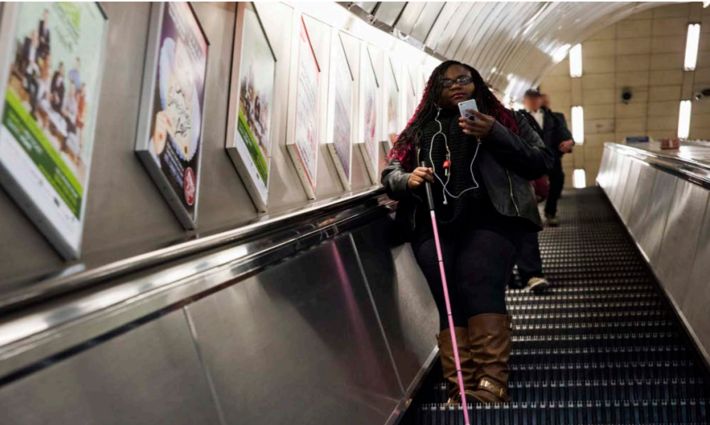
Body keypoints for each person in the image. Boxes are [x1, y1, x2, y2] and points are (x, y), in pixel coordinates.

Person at [381, 61, 553, 404]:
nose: (457, 86)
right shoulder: (417, 130)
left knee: (477, 283)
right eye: (447, 83)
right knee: (448, 299)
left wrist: (494, 134)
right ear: (435, 91)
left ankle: (492, 382)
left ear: (477, 84)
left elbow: (540, 160)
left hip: (492, 216)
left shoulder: (509, 119)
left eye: (465, 79)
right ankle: (460, 385)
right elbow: (391, 171)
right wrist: (407, 179)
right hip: (431, 221)